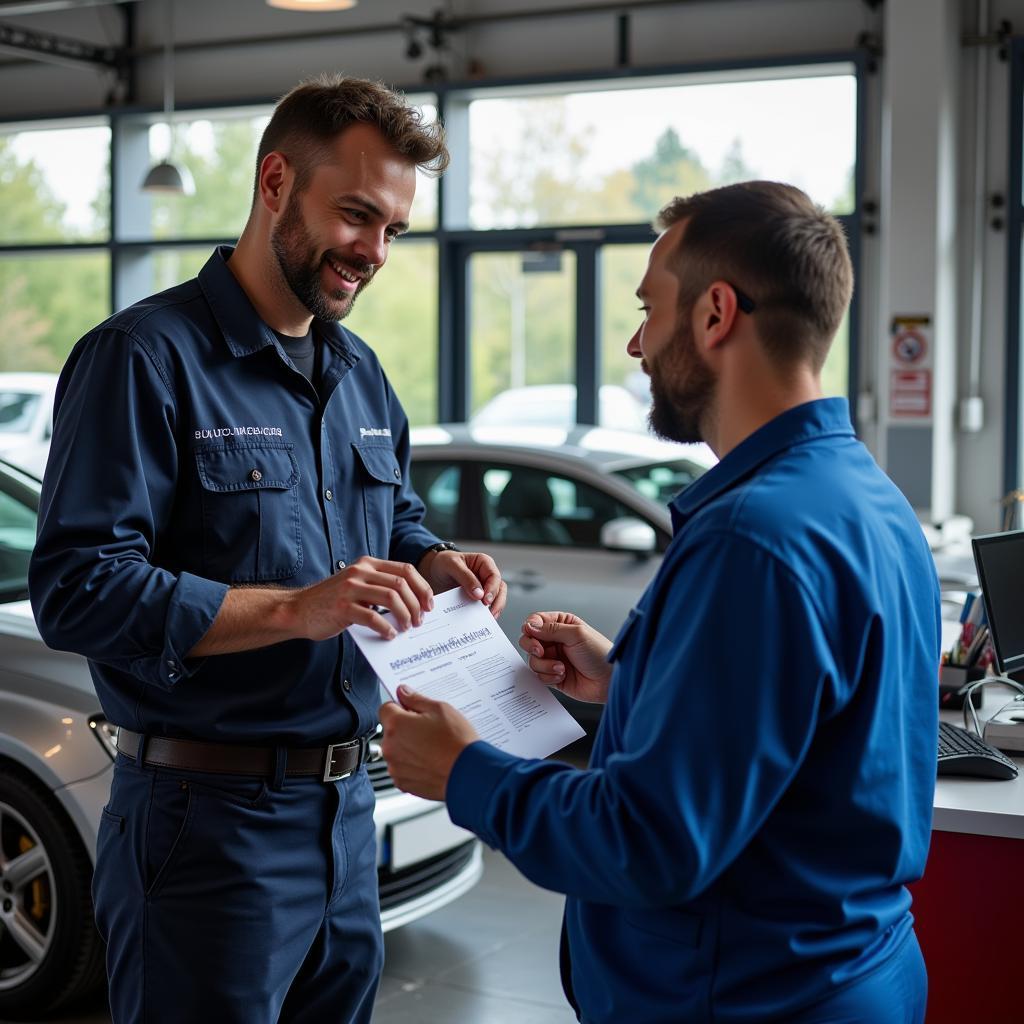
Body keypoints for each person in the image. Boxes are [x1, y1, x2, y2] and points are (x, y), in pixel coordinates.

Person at [379, 181, 941, 1024]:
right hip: (848, 968)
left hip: (748, 995)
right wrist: (631, 678)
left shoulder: (752, 536)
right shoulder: (865, 496)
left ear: (716, 315)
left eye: (650, 308)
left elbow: (648, 842)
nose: (638, 344)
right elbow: (808, 724)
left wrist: (466, 772)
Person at [28, 75, 505, 1024]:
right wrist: (296, 606)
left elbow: (395, 521)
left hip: (347, 816)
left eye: (393, 231)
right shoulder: (142, 359)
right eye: (356, 215)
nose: (372, 253)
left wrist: (438, 560)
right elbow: (77, 589)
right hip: (203, 829)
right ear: (277, 180)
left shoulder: (361, 374)